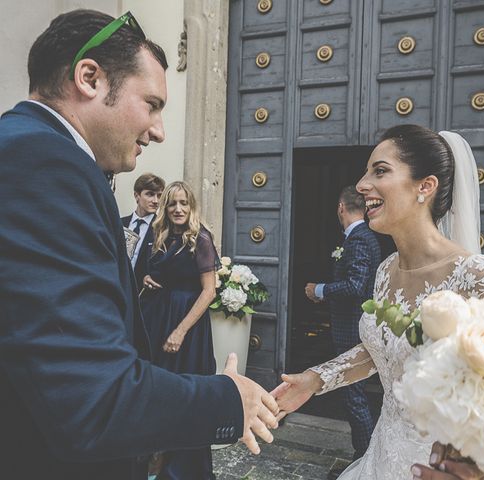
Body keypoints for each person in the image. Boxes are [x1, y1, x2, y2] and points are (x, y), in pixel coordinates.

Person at [0, 10, 277, 480]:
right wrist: (229, 398)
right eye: (151, 104)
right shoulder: (43, 163)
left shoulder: (32, 149)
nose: (159, 130)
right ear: (89, 78)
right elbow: (91, 398)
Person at [272, 125, 484, 480]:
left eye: (379, 171)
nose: (362, 184)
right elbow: (385, 350)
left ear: (425, 187)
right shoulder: (386, 270)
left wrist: (475, 472)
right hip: (382, 457)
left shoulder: (478, 278)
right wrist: (316, 380)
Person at [140, 181, 221, 479]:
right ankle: (156, 460)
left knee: (184, 397)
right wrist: (148, 275)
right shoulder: (160, 236)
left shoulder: (200, 239)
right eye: (173, 203)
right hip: (157, 320)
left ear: (191, 207)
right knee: (157, 393)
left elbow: (208, 291)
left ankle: (182, 471)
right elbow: (159, 271)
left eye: (184, 203)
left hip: (186, 329)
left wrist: (180, 331)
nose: (178, 209)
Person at [304, 185, 381, 478]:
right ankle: (364, 456)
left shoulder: (359, 239)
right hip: (351, 326)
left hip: (352, 328)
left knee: (353, 394)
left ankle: (364, 460)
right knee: (353, 394)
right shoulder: (362, 237)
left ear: (340, 208)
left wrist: (319, 290)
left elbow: (356, 285)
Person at [122, 172, 166, 288]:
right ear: (137, 196)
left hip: (142, 295)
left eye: (159, 195)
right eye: (150, 194)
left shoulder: (163, 229)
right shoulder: (119, 224)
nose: (156, 201)